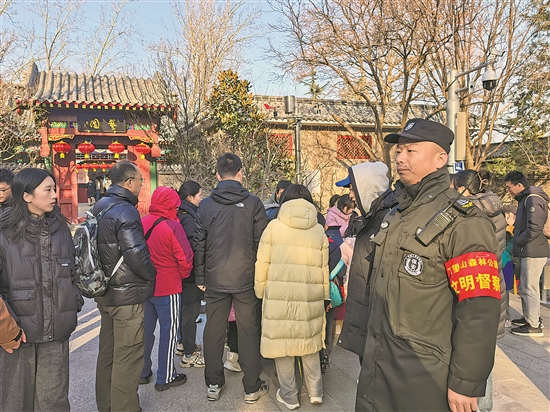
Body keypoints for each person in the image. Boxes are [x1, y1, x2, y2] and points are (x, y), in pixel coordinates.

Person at [355, 119, 500, 412]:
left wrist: (466, 381)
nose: (400, 158)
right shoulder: (395, 212)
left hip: (425, 373)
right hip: (380, 361)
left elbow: (479, 307)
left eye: (411, 151)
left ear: (440, 159)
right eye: (399, 151)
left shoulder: (464, 222)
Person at [0, 168, 83, 411]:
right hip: (18, 335)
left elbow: (72, 272)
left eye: (54, 189)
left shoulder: (60, 229)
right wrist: (6, 330)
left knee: (54, 402)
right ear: (27, 195)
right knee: (15, 402)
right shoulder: (4, 232)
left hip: (56, 332)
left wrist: (73, 301)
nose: (55, 195)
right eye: (48, 190)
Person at [194, 153, 269, 403]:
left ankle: (213, 384)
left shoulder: (205, 206)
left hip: (215, 278)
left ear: (217, 175)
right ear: (240, 173)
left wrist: (200, 276)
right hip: (246, 278)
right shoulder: (254, 203)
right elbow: (261, 244)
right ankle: (251, 387)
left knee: (214, 331)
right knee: (249, 331)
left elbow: (199, 244)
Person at [255, 184, 329, 410]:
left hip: (279, 295)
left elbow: (262, 263)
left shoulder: (273, 227)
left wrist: (261, 291)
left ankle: (289, 396)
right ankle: (316, 392)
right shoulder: (318, 230)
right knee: (310, 343)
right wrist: (325, 296)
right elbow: (323, 267)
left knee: (283, 345)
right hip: (310, 295)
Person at [93, 160, 157, 412]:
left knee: (107, 354)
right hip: (127, 296)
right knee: (128, 357)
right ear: (129, 182)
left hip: (105, 292)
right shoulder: (126, 211)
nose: (142, 185)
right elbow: (136, 255)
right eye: (140, 180)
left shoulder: (100, 206)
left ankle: (106, 405)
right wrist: (151, 276)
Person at [452, 169, 507, 412]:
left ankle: (481, 405)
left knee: (473, 346)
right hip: (494, 281)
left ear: (462, 188)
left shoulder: (469, 213)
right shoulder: (495, 207)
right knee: (485, 347)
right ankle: (485, 405)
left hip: (475, 281)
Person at [140, 187, 194, 391]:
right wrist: (182, 275)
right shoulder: (173, 226)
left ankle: (143, 372)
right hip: (168, 287)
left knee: (145, 332)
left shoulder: (142, 222)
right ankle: (166, 376)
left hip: (146, 286)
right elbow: (185, 258)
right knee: (169, 333)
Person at [504, 170, 549, 337]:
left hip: (533, 250)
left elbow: (534, 229)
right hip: (529, 249)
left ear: (519, 185)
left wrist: (518, 240)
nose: (508, 190)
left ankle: (534, 324)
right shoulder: (526, 199)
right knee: (525, 286)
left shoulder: (533, 199)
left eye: (509, 187)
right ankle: (529, 318)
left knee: (530, 287)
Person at [176, 181, 205, 368]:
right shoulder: (188, 218)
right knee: (190, 312)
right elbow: (195, 246)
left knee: (186, 311)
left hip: (185, 273)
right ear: (190, 197)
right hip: (191, 273)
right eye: (199, 195)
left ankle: (184, 344)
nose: (201, 198)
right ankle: (189, 352)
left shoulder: (183, 213)